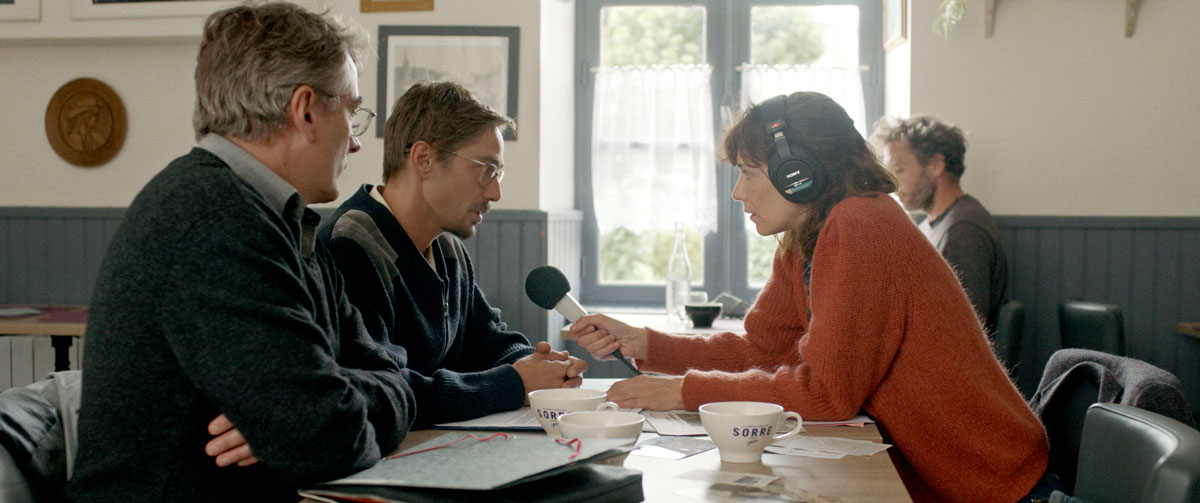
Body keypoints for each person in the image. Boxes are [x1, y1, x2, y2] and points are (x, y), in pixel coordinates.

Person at [566, 93, 1053, 502]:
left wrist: (684, 391)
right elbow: (765, 350)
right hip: (940, 478)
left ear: (796, 173)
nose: (737, 193)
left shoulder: (860, 223)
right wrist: (648, 344)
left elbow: (826, 394)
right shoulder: (804, 234)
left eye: (748, 173)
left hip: (995, 485)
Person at [66, 3, 416, 502]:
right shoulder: (214, 222)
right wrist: (310, 416)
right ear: (305, 110)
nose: (356, 143)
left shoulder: (280, 217)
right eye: (351, 112)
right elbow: (329, 437)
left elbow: (394, 382)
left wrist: (317, 407)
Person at [318, 81, 587, 426]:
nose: (496, 192)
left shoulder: (446, 246)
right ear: (424, 159)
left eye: (498, 173)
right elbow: (385, 391)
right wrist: (515, 382)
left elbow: (486, 341)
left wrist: (537, 366)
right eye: (486, 170)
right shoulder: (351, 244)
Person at [873, 116, 1008, 331]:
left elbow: (959, 328)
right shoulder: (932, 226)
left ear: (935, 165)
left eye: (898, 169)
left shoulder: (963, 231)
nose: (892, 182)